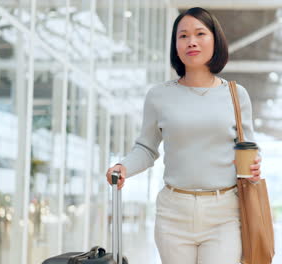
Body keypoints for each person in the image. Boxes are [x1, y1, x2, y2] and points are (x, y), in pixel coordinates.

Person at [106, 7, 261, 264]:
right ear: (175, 45)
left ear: (215, 40)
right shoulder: (159, 96)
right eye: (183, 36)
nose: (191, 41)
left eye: (200, 33)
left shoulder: (236, 94)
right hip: (173, 212)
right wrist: (123, 167)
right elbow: (146, 147)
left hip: (224, 212)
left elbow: (249, 146)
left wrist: (255, 164)